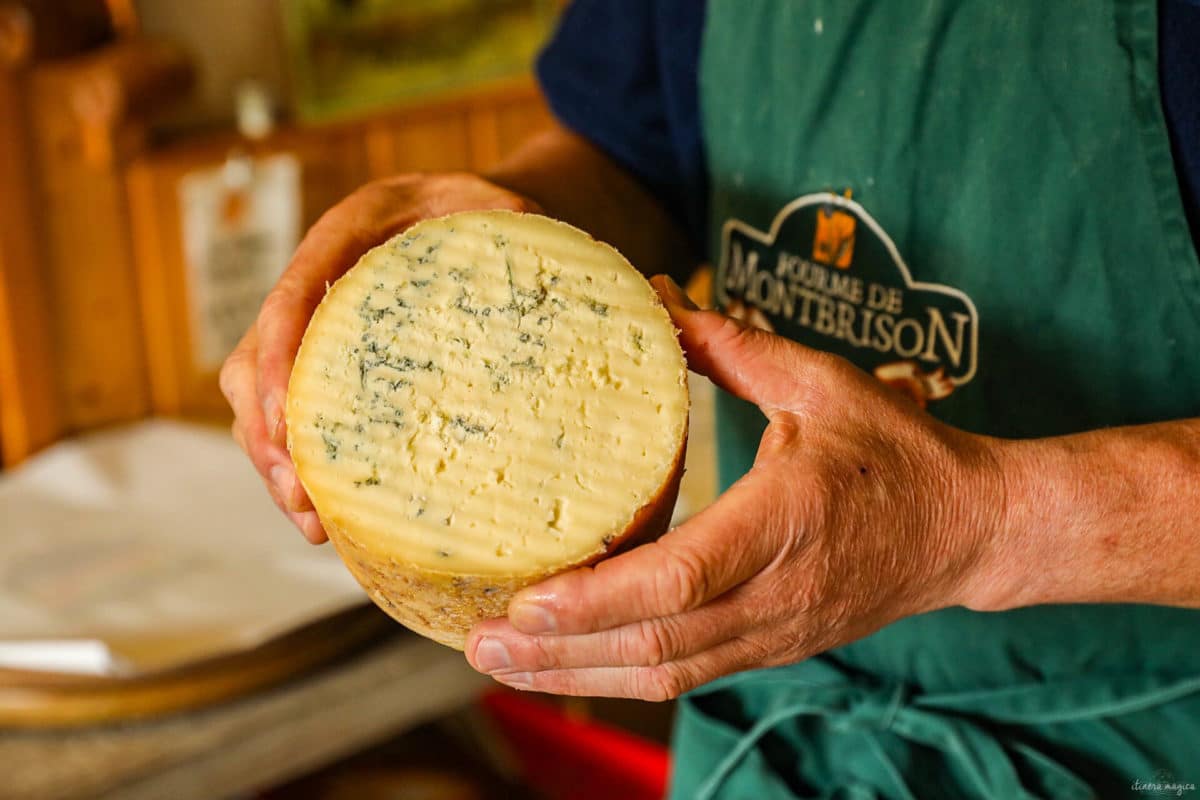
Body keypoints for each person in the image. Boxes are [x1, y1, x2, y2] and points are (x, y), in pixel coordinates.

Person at [221, 1, 1200, 796]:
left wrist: (982, 518)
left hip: (1143, 747)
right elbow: (636, 153)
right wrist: (500, 228)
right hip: (787, 735)